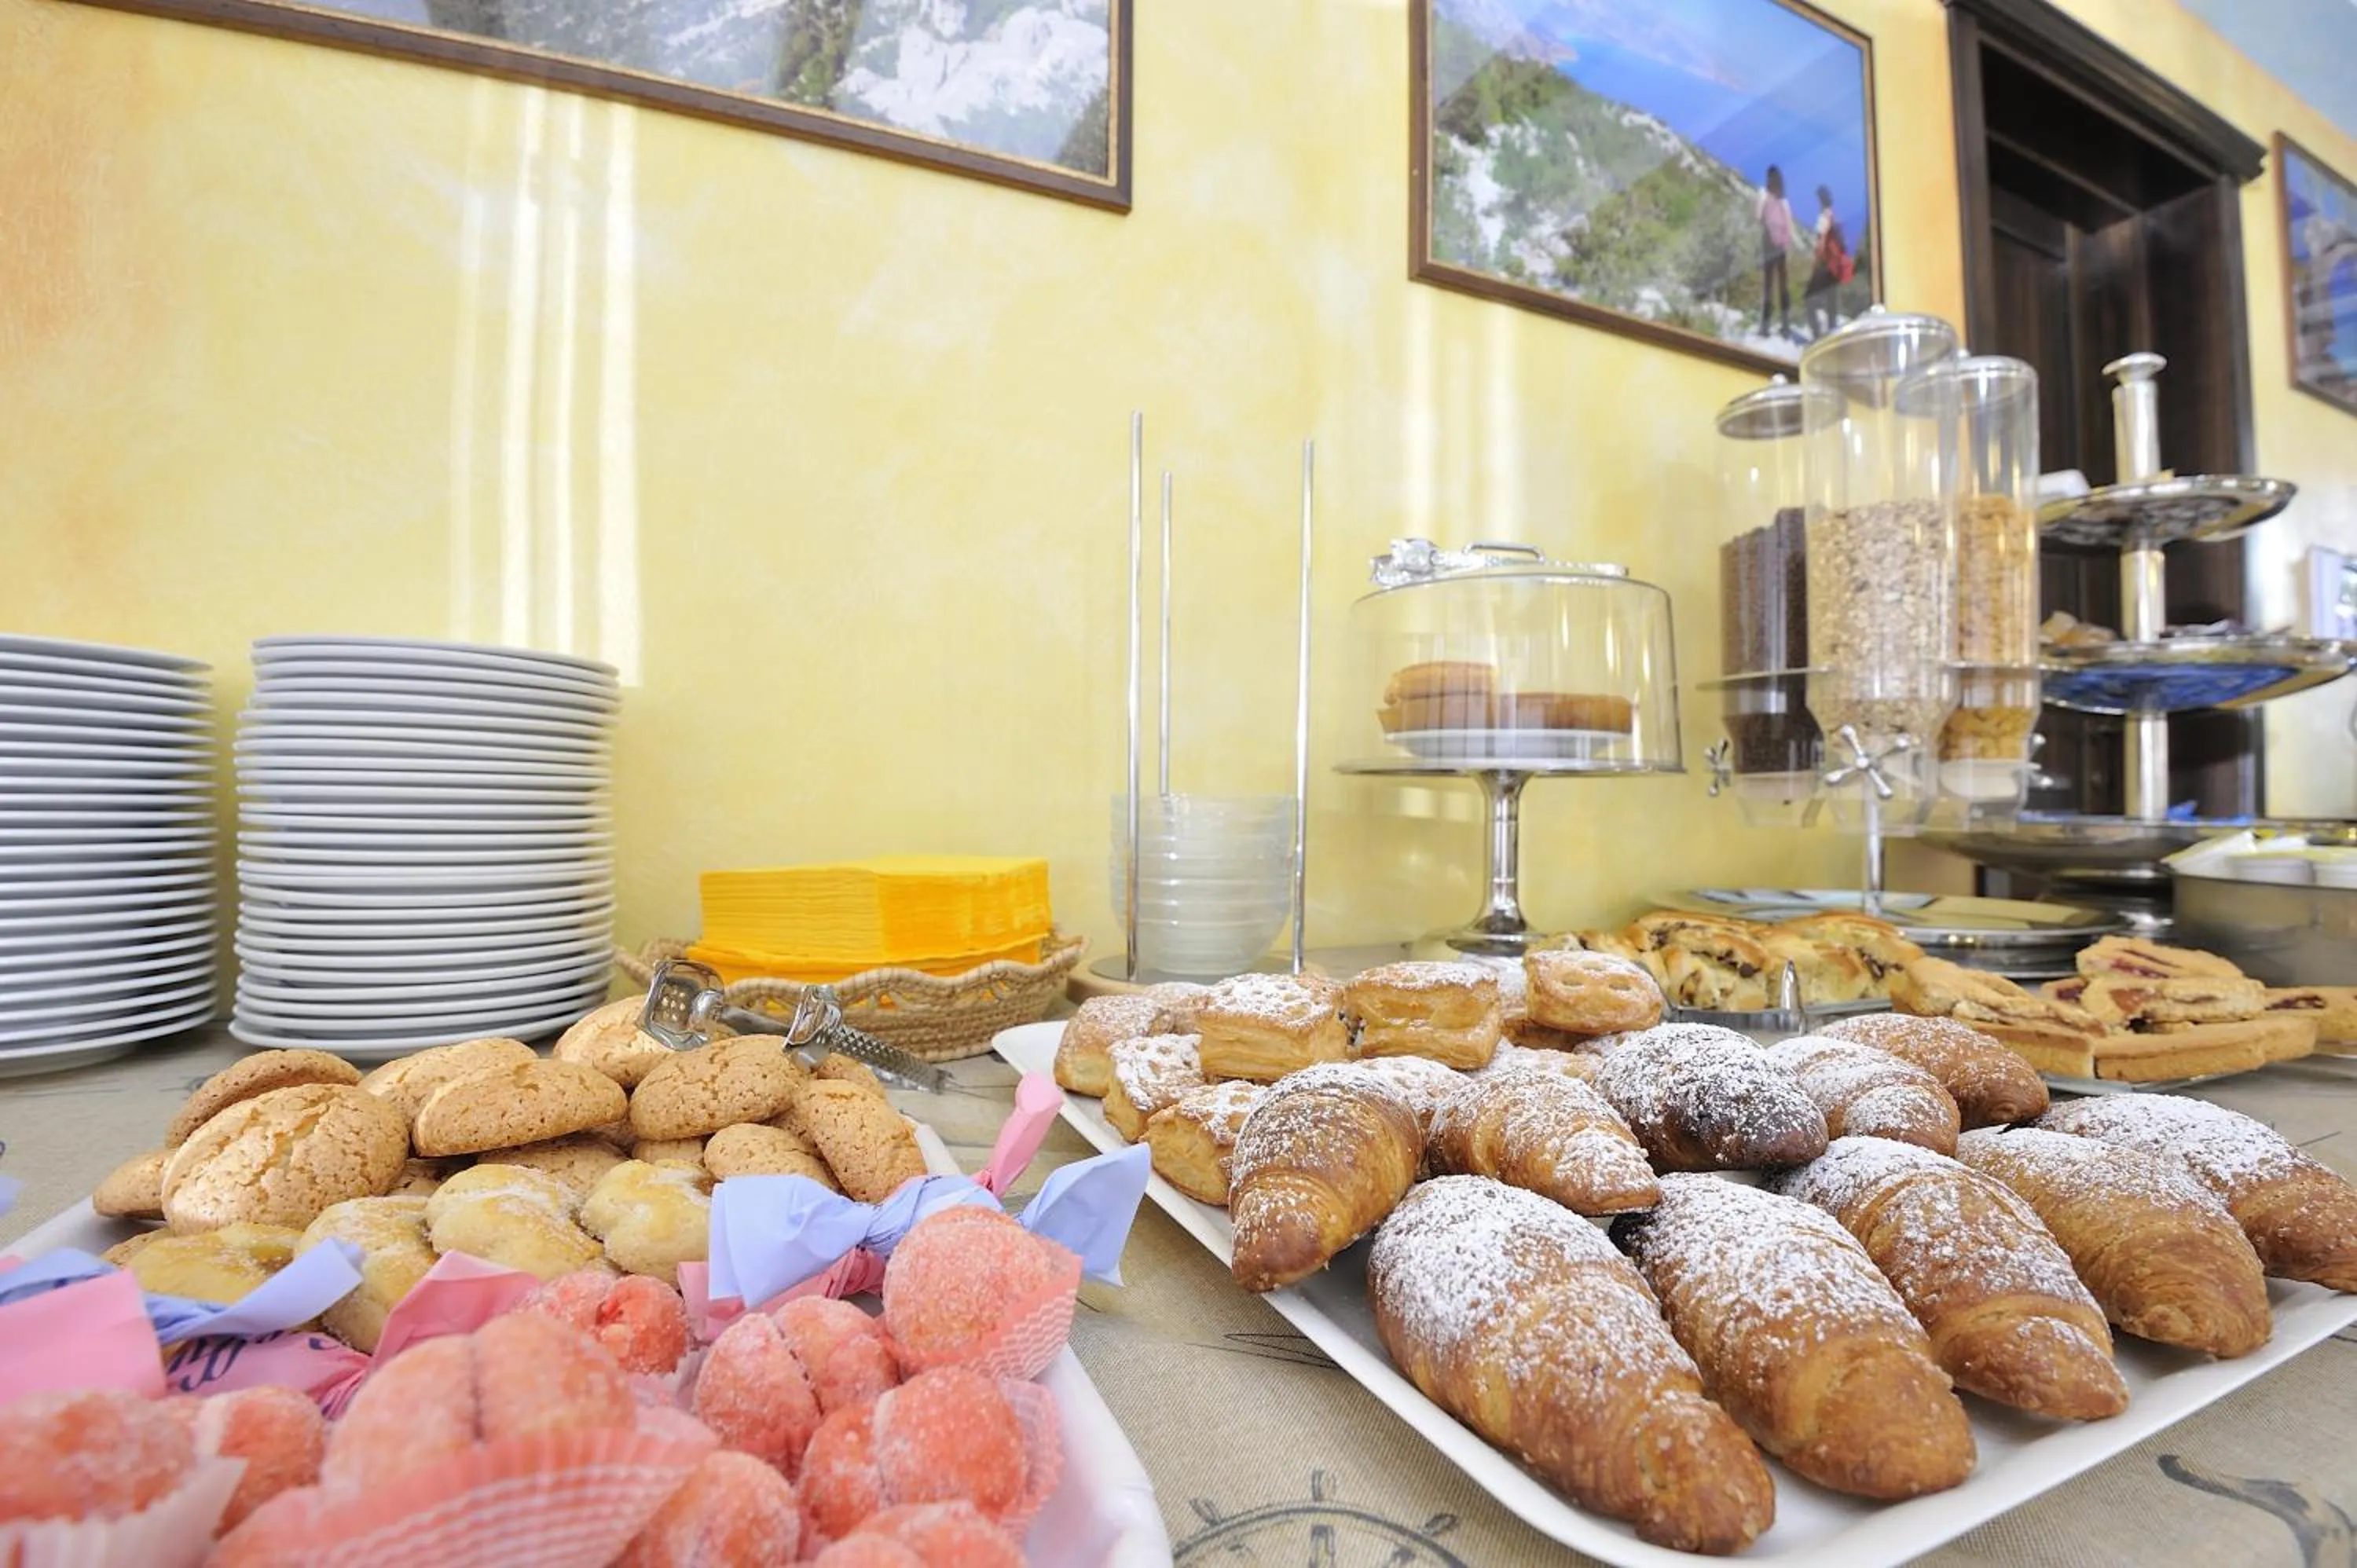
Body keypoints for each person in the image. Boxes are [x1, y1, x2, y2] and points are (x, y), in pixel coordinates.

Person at [1804, 184, 1855, 339]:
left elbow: (1820, 241)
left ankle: (1817, 337)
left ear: (1820, 200)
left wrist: (1815, 262)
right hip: (1835, 267)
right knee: (1832, 302)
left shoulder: (1823, 217)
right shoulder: (1834, 217)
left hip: (1824, 265)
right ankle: (1832, 335)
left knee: (1809, 300)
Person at [1755, 166, 1794, 338]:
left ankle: (1765, 327)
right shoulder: (1784, 199)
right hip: (1781, 246)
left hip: (1767, 242)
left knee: (1768, 285)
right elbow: (1790, 228)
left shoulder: (1764, 194)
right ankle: (1786, 326)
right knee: (1783, 285)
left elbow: (1758, 217)